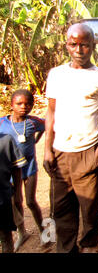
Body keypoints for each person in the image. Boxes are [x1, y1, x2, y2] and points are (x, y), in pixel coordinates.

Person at [43, 23, 98, 253]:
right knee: (62, 206)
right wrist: (47, 149)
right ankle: (66, 248)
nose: (78, 49)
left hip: (88, 151)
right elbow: (51, 112)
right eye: (73, 44)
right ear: (66, 45)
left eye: (84, 45)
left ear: (92, 46)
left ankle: (90, 242)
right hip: (60, 151)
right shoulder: (56, 74)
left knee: (89, 205)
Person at [0, 89, 45, 252]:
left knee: (31, 202)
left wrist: (36, 140)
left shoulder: (33, 122)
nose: (23, 107)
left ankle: (43, 232)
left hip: (29, 169)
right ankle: (22, 232)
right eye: (19, 104)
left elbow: (47, 125)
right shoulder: (2, 124)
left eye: (28, 104)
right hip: (10, 172)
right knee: (15, 203)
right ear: (11, 105)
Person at [0, 134, 27, 253]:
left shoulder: (6, 140)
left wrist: (17, 193)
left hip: (3, 198)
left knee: (6, 237)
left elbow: (17, 168)